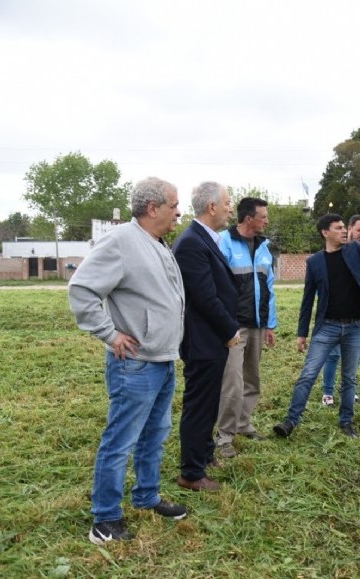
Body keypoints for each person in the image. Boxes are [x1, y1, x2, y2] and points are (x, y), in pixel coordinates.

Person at [68, 177, 187, 545]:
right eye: (173, 205)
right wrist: (109, 333)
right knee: (121, 439)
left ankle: (147, 496)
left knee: (156, 433)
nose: (178, 212)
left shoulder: (157, 243)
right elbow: (82, 288)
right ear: (153, 208)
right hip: (134, 362)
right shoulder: (121, 241)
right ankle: (105, 519)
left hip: (162, 359)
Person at [273, 214, 360, 439]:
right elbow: (307, 299)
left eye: (343, 227)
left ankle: (346, 422)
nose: (343, 231)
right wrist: (302, 334)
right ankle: (291, 421)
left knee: (349, 378)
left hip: (354, 328)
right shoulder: (314, 262)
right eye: (338, 228)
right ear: (325, 232)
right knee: (308, 374)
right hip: (326, 328)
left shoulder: (354, 251)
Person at [173, 182, 240, 492]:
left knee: (209, 402)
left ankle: (203, 454)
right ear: (211, 207)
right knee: (200, 406)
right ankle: (191, 472)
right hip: (204, 340)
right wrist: (229, 330)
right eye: (227, 202)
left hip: (211, 339)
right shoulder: (191, 243)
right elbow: (204, 297)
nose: (231, 208)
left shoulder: (204, 239)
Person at [214, 198, 277, 458]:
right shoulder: (223, 242)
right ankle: (224, 437)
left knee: (252, 379)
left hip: (258, 325)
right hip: (233, 327)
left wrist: (270, 324)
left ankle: (243, 424)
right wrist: (223, 324)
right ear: (248, 218)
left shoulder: (264, 247)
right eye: (263, 217)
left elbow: (269, 288)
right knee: (232, 382)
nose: (267, 221)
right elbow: (215, 286)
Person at [320, 214, 360, 407]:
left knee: (352, 355)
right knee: (333, 354)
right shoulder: (337, 251)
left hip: (357, 316)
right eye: (358, 230)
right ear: (349, 229)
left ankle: (349, 392)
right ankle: (327, 392)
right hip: (335, 314)